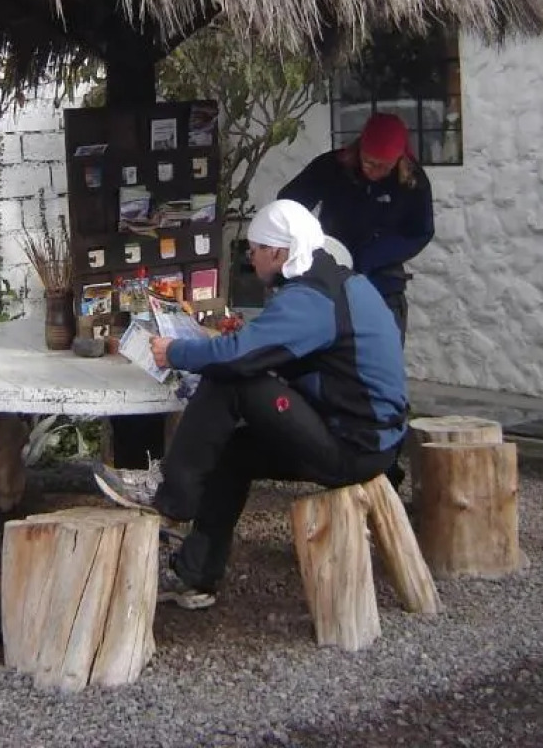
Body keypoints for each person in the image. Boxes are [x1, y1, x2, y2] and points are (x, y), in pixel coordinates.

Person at [93, 199, 408, 610]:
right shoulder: (336, 282)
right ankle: (195, 576)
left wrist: (176, 352)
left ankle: (168, 493)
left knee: (232, 379)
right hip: (364, 436)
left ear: (279, 252)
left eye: (255, 248)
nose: (250, 256)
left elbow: (240, 356)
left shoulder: (314, 298)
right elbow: (313, 360)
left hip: (354, 447)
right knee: (234, 451)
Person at [278, 112, 433, 340]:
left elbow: (420, 232)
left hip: (382, 284)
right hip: (331, 278)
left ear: (400, 160)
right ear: (359, 148)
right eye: (368, 161)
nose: (374, 170)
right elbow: (288, 205)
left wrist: (373, 256)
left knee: (381, 357)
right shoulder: (332, 166)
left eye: (384, 166)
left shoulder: (413, 182)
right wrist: (308, 240)